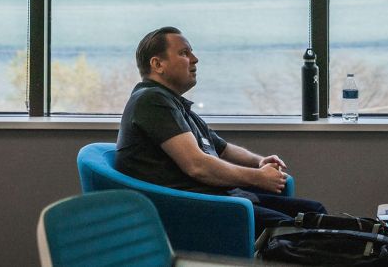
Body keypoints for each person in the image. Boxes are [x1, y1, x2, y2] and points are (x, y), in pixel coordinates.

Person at [116, 26, 327, 230]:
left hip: (224, 198)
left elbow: (223, 148)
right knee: (295, 230)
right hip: (197, 208)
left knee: (314, 211)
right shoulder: (151, 100)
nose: (195, 59)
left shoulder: (176, 105)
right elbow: (197, 166)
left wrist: (259, 161)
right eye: (184, 53)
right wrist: (258, 177)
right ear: (157, 64)